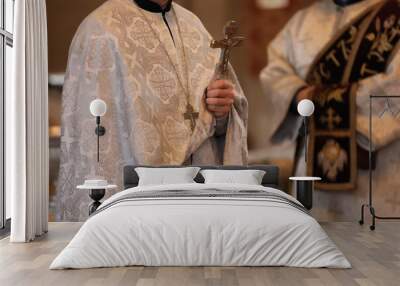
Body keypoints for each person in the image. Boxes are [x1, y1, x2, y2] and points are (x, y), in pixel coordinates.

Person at [57, 0, 248, 221]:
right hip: (137, 203)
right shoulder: (102, 29)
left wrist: (223, 111)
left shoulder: (193, 25)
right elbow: (95, 146)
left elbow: (224, 114)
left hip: (199, 198)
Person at [260, 0, 400, 220]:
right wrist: (297, 94)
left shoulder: (394, 17)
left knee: (374, 245)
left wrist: (319, 99)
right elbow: (274, 73)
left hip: (377, 172)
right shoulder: (301, 22)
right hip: (311, 167)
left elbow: (396, 85)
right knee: (314, 245)